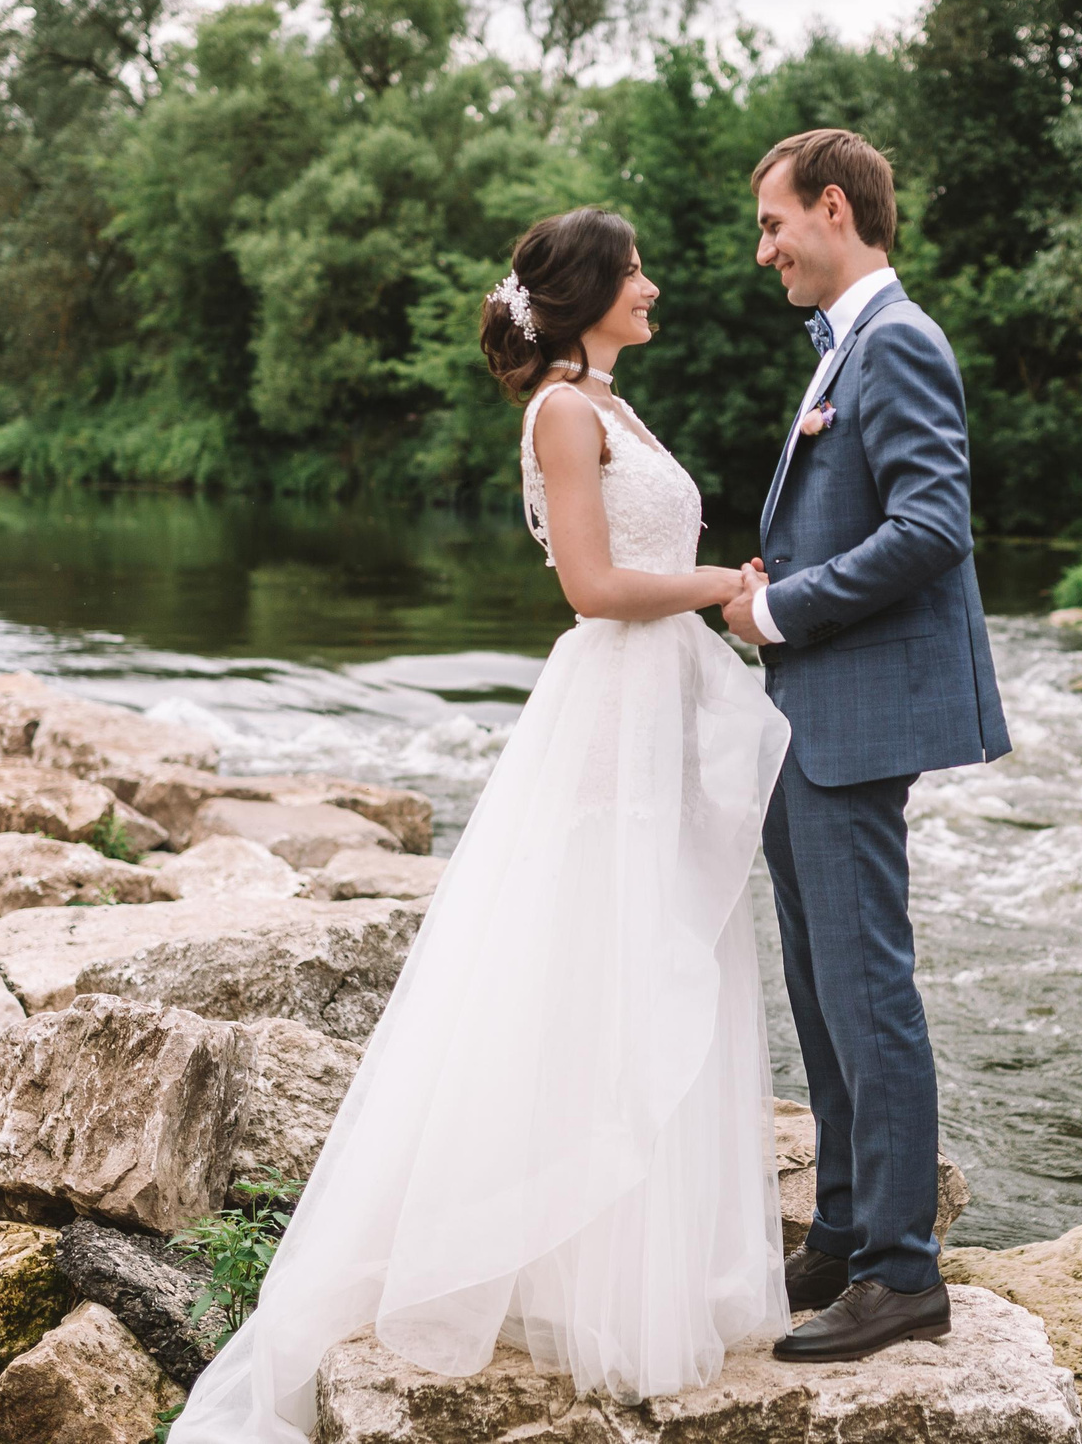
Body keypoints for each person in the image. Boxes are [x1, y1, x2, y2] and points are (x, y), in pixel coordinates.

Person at [168, 207, 789, 1442]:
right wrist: (728, 584)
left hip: (655, 701)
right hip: (612, 704)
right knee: (600, 958)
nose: (653, 286)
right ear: (587, 294)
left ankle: (624, 1260)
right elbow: (592, 586)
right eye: (634, 273)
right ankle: (548, 1258)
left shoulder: (610, 403)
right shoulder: (563, 411)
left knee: (658, 952)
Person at [721, 129, 1011, 1363]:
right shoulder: (846, 343)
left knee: (866, 991)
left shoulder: (898, 341)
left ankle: (901, 1274)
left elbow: (932, 526)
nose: (763, 249)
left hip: (849, 718)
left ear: (833, 209)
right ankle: (843, 1234)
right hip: (811, 717)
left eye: (774, 224)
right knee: (819, 987)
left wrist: (779, 607)